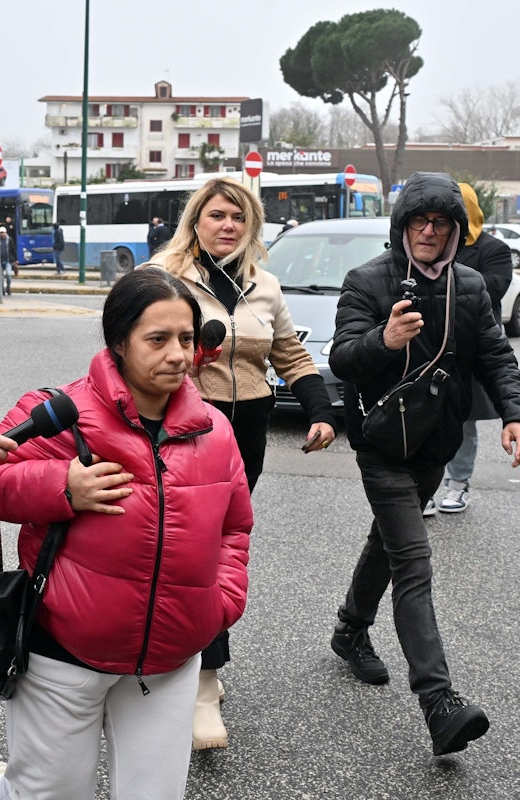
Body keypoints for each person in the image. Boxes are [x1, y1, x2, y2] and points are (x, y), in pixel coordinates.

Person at [0, 267, 252, 800]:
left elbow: (235, 527)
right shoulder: (59, 415)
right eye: (158, 339)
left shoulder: (215, 429)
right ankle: (5, 790)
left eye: (186, 339)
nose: (177, 355)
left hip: (171, 659)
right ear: (119, 342)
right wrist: (62, 488)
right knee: (49, 795)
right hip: (64, 652)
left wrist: (221, 601)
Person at [329, 171, 520, 756]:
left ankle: (349, 629)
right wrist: (383, 341)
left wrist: (514, 413)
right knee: (413, 562)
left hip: (436, 447)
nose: (429, 232)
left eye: (441, 223)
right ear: (403, 225)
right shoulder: (368, 280)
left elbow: (495, 355)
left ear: (458, 231)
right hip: (384, 445)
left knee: (388, 545)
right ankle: (439, 702)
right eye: (420, 221)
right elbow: (342, 357)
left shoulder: (469, 285)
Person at [150, 176, 336, 749]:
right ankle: (202, 682)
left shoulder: (265, 285)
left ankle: (193, 660)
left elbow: (290, 353)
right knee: (189, 546)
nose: (228, 225)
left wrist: (321, 411)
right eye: (216, 215)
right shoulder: (163, 276)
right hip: (182, 428)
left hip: (247, 431)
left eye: (239, 216)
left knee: (221, 547)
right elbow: (129, 346)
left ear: (251, 226)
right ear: (195, 221)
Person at [423, 183, 512, 515]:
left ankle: (458, 483)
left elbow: (493, 288)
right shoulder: (432, 243)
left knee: (463, 420)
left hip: (471, 351)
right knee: (424, 418)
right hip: (430, 346)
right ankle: (426, 485)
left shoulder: (495, 250)